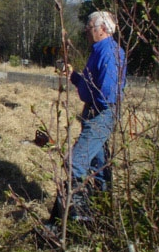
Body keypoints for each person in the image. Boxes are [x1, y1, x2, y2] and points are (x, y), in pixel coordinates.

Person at [54, 11, 127, 222]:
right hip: (95, 114)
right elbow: (92, 85)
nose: (87, 32)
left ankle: (77, 217)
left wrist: (94, 110)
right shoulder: (98, 51)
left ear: (102, 29)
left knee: (74, 164)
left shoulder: (110, 53)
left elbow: (108, 93)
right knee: (99, 167)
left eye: (89, 29)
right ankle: (103, 214)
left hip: (101, 115)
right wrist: (74, 77)